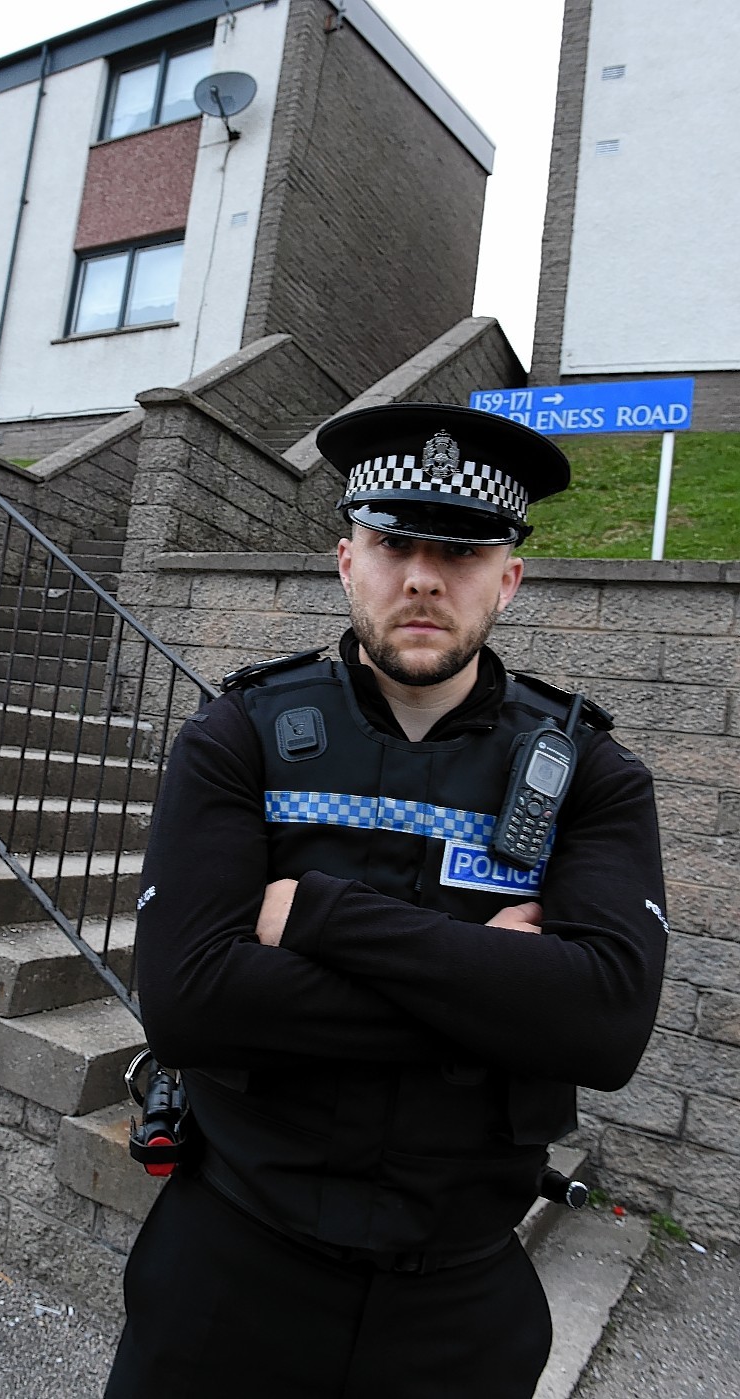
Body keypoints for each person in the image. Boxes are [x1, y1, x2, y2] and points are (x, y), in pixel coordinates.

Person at [104, 403, 667, 1399]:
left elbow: (605, 1026)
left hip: (456, 1307)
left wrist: (319, 916)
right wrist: (498, 994)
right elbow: (190, 1003)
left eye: (459, 550)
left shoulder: (590, 771)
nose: (422, 576)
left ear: (510, 577)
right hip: (230, 1274)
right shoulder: (240, 735)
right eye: (395, 541)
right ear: (346, 559)